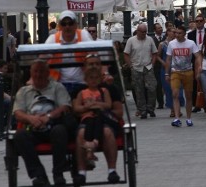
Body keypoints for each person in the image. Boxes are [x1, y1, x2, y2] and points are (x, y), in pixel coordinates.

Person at [13, 59, 72, 187]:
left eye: (41, 71)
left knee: (60, 131)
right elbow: (18, 112)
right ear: (31, 72)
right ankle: (39, 175)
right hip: (33, 127)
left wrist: (49, 116)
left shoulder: (57, 87)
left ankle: (58, 173)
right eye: (35, 71)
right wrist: (31, 119)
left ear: (47, 73)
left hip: (53, 126)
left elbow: (65, 107)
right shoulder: (23, 91)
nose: (38, 75)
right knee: (19, 136)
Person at [73, 54, 124, 185]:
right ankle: (81, 172)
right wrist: (87, 109)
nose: (94, 67)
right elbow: (75, 110)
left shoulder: (109, 89)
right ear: (84, 68)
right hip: (87, 121)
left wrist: (99, 109)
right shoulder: (79, 90)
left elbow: (118, 112)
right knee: (80, 134)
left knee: (107, 132)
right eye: (90, 64)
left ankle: (112, 170)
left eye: (97, 64)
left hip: (105, 121)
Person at [44, 11, 93, 95]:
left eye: (70, 23)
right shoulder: (53, 39)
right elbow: (42, 59)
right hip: (58, 85)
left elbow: (95, 54)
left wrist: (105, 74)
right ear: (60, 26)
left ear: (75, 25)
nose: (67, 27)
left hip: (83, 84)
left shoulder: (83, 35)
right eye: (64, 24)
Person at [73, 67, 112, 164]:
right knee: (90, 121)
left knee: (98, 120)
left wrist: (96, 104)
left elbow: (108, 104)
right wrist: (87, 107)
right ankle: (90, 146)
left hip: (100, 115)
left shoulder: (103, 91)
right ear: (86, 80)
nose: (93, 80)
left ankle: (94, 143)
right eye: (91, 78)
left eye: (96, 78)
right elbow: (76, 107)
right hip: (87, 116)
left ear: (99, 79)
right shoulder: (82, 93)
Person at [165, 27, 202, 127]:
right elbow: (168, 59)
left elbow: (198, 56)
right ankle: (177, 118)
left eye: (180, 33)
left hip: (188, 71)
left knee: (188, 96)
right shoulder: (172, 44)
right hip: (175, 72)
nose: (177, 35)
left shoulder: (191, 43)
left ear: (184, 34)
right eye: (176, 33)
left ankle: (189, 118)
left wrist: (199, 67)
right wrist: (166, 73)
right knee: (175, 94)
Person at [124, 24, 158, 119]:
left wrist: (153, 64)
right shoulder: (131, 40)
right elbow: (126, 54)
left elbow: (155, 53)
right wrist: (130, 65)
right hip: (136, 68)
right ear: (137, 31)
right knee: (139, 90)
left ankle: (150, 108)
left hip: (148, 67)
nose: (144, 34)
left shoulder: (149, 40)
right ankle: (142, 110)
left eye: (145, 32)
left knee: (152, 88)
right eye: (142, 32)